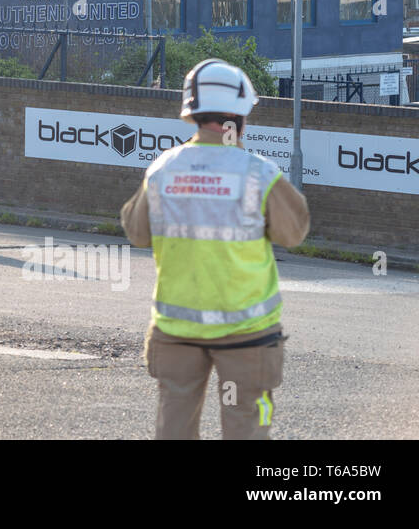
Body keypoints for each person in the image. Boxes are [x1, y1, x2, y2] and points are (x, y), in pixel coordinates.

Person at [120, 59, 310, 440]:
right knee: (246, 428)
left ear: (192, 113)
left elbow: (136, 233)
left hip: (178, 332)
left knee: (174, 430)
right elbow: (295, 233)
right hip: (246, 334)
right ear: (238, 116)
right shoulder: (257, 174)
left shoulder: (163, 170)